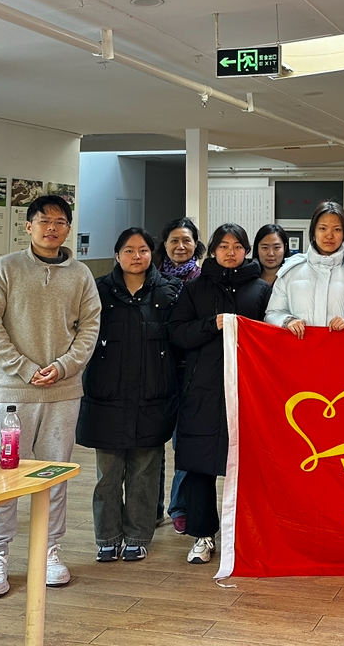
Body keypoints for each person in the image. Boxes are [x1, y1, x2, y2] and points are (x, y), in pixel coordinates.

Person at [0, 195, 101, 597]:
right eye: (44, 221)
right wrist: (24, 368)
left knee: (54, 473)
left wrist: (63, 367)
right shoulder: (4, 269)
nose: (52, 228)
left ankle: (48, 550)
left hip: (63, 393)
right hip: (14, 391)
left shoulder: (81, 275)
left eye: (60, 222)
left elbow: (89, 328)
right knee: (6, 473)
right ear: (28, 226)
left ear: (68, 229)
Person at [75, 228, 181, 562]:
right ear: (117, 255)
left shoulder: (170, 290)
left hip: (153, 396)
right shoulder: (97, 290)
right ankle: (107, 537)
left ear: (152, 253)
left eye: (143, 250)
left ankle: (137, 536)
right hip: (107, 397)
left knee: (144, 473)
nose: (137, 256)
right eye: (129, 250)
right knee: (108, 474)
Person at [168, 224, 272, 564]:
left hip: (248, 390)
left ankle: (246, 533)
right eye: (224, 246)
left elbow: (271, 337)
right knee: (200, 465)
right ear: (212, 250)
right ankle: (202, 535)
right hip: (202, 389)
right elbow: (177, 333)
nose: (230, 252)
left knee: (250, 465)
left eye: (237, 246)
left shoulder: (261, 289)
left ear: (246, 251)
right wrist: (211, 324)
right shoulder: (194, 289)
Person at [154, 217, 205, 535]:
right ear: (165, 245)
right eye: (174, 240)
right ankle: (151, 507)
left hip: (190, 370)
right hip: (156, 368)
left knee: (184, 441)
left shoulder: (202, 280)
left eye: (186, 240)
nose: (180, 246)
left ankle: (180, 505)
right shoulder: (151, 278)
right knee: (152, 441)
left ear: (196, 244)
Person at [265, 201, 344, 337]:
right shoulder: (291, 270)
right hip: (299, 348)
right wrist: (287, 321)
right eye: (323, 228)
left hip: (342, 349)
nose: (329, 235)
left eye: (337, 229)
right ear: (313, 231)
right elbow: (272, 313)